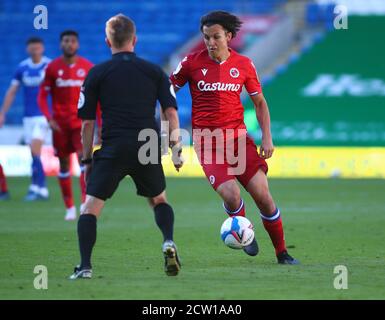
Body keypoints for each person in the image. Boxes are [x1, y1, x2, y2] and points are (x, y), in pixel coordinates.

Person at [170, 11, 299, 264]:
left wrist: (267, 138)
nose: (210, 42)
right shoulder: (190, 63)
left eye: (216, 36)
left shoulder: (244, 64)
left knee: (263, 196)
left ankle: (282, 253)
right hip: (207, 142)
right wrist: (173, 138)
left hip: (239, 140)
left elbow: (260, 102)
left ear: (228, 36)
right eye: (206, 37)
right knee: (231, 195)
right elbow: (167, 92)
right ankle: (244, 233)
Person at [69, 14, 183, 280]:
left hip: (113, 147)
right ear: (135, 39)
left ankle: (85, 266)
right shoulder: (155, 71)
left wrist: (87, 160)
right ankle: (168, 241)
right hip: (147, 144)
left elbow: (87, 124)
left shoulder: (97, 73)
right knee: (158, 199)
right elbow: (171, 113)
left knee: (90, 209)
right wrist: (176, 150)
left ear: (107, 40)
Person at [38, 30, 95, 221]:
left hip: (81, 123)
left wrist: (100, 123)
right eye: (65, 41)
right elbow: (42, 96)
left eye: (72, 41)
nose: (69, 44)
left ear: (77, 45)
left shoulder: (87, 67)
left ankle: (84, 203)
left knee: (84, 162)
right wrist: (49, 118)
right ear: (61, 44)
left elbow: (98, 99)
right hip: (60, 125)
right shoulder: (52, 68)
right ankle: (69, 207)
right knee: (63, 165)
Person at [0, 37, 51, 201]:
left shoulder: (49, 66)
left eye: (37, 47)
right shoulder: (22, 68)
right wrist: (3, 112)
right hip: (28, 117)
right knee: (33, 153)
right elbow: (12, 91)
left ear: (42, 48)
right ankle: (37, 187)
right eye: (32, 48)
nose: (35, 50)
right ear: (28, 49)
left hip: (43, 116)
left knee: (36, 150)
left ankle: (40, 188)